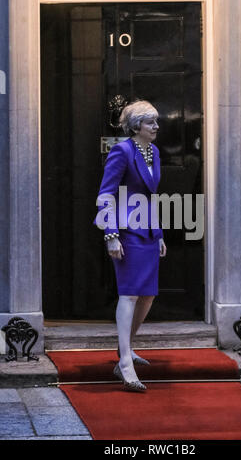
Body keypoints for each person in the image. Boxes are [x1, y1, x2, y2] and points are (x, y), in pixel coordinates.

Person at [94, 100, 167, 392]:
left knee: (147, 296)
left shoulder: (155, 152)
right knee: (130, 295)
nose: (156, 127)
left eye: (156, 121)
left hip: (148, 231)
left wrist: (159, 233)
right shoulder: (121, 151)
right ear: (137, 126)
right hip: (125, 232)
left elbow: (151, 197)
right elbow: (106, 193)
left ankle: (127, 348)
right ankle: (124, 361)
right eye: (151, 122)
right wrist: (110, 234)